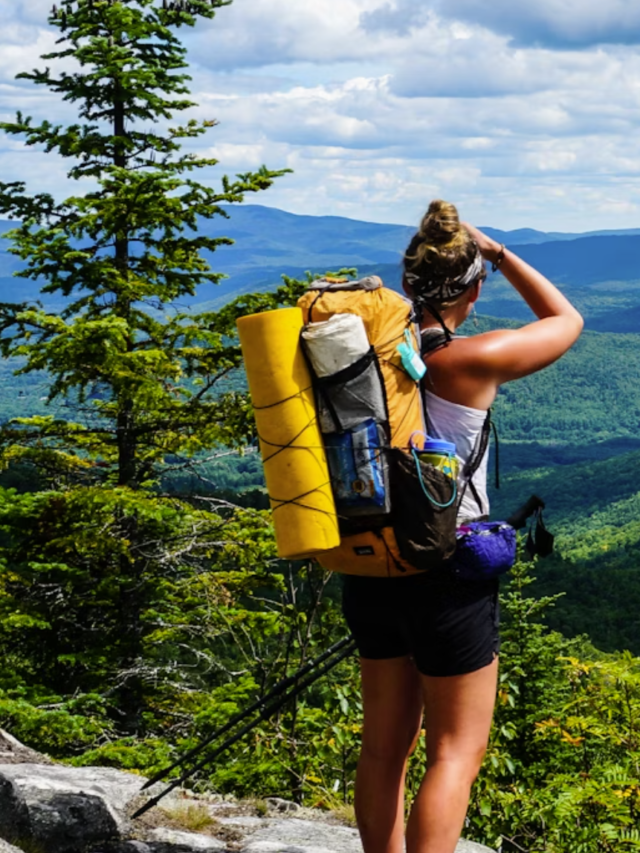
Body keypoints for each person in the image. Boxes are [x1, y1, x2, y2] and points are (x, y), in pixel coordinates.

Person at [341, 199, 583, 853]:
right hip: (446, 571)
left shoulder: (370, 361)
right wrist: (499, 252)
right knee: (454, 751)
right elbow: (567, 319)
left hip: (370, 559)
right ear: (473, 287)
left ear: (409, 283)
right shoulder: (470, 361)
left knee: (383, 749)